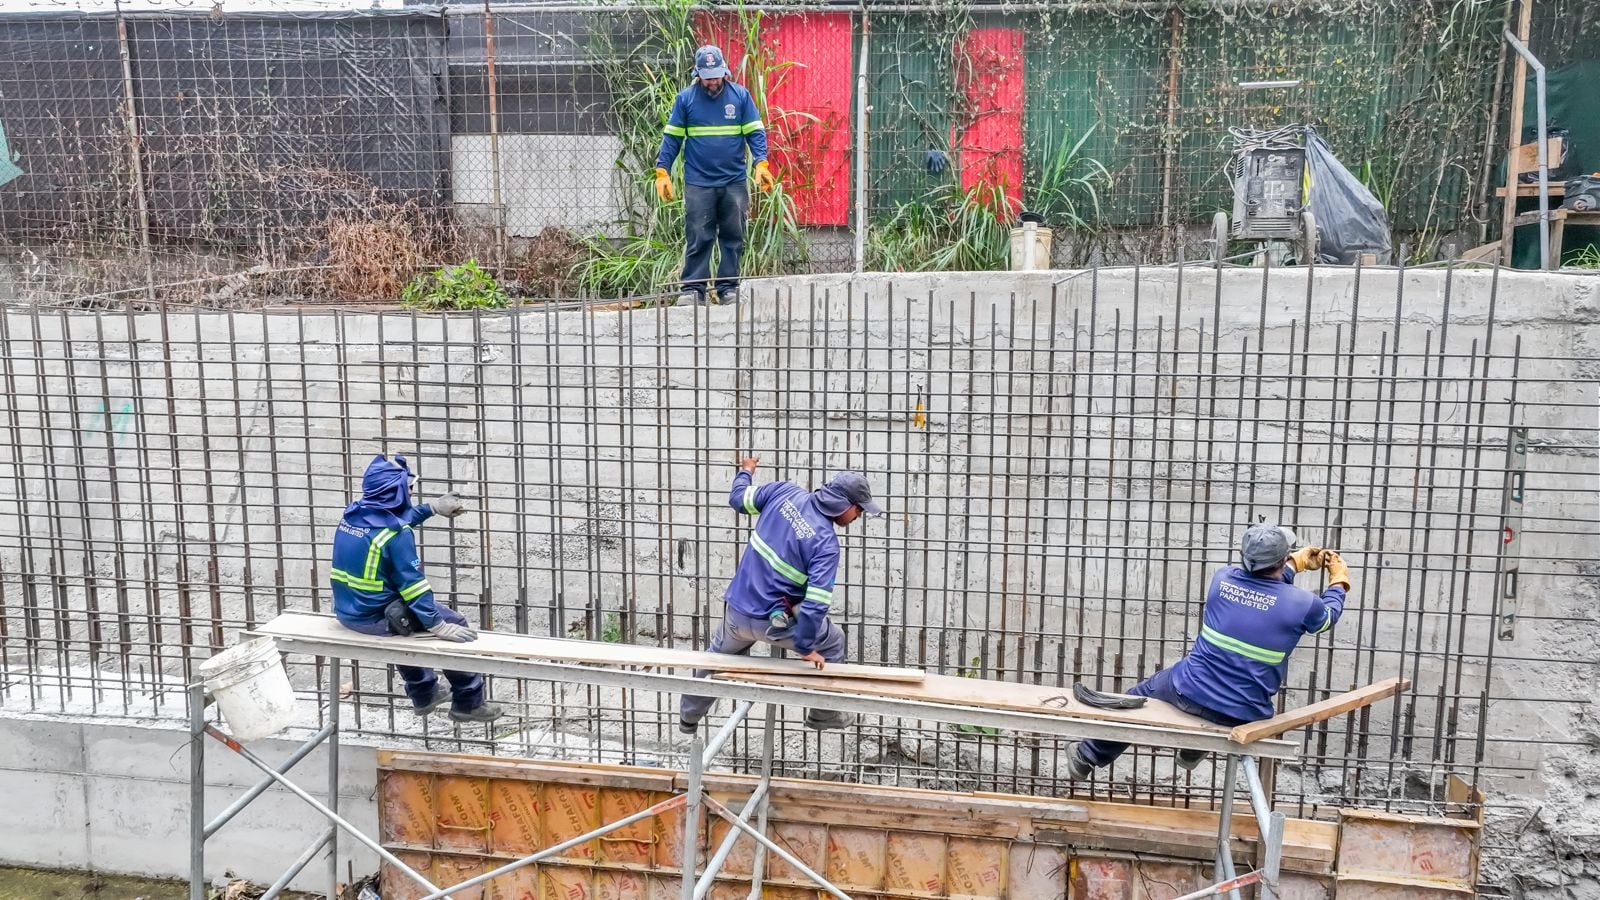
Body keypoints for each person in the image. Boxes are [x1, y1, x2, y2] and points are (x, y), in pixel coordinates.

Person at [1068, 523, 1350, 777]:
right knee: (1213, 704)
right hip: (1246, 711)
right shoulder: (1304, 604)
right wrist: (1338, 581)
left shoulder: (1222, 579)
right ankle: (1192, 751)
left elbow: (1263, 589)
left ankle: (1087, 756)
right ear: (1281, 560)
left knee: (1136, 699)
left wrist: (1291, 564)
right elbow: (1326, 616)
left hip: (1187, 690)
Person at [679, 458, 882, 735]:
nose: (858, 516)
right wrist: (804, 645)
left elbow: (738, 499)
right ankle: (822, 715)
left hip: (737, 614)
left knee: (715, 659)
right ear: (843, 505)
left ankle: (688, 718)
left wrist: (746, 471)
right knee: (834, 643)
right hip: (775, 625)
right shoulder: (826, 544)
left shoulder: (783, 492)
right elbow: (815, 604)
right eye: (858, 509)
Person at [330, 454, 504, 724]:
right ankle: (468, 702)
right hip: (375, 619)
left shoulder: (353, 514)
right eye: (408, 488)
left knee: (404, 621)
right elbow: (413, 585)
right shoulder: (397, 537)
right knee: (453, 622)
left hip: (348, 611)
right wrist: (438, 625)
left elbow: (389, 522)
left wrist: (431, 508)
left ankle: (424, 693)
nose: (411, 492)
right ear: (395, 493)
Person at [653, 45, 778, 307]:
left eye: (716, 74)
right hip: (699, 183)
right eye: (707, 75)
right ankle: (693, 290)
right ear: (697, 74)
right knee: (699, 235)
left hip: (733, 181)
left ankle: (728, 288)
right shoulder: (685, 100)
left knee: (733, 236)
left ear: (724, 71)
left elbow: (755, 133)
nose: (713, 80)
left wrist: (761, 164)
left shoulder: (740, 97)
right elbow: (672, 138)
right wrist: (662, 170)